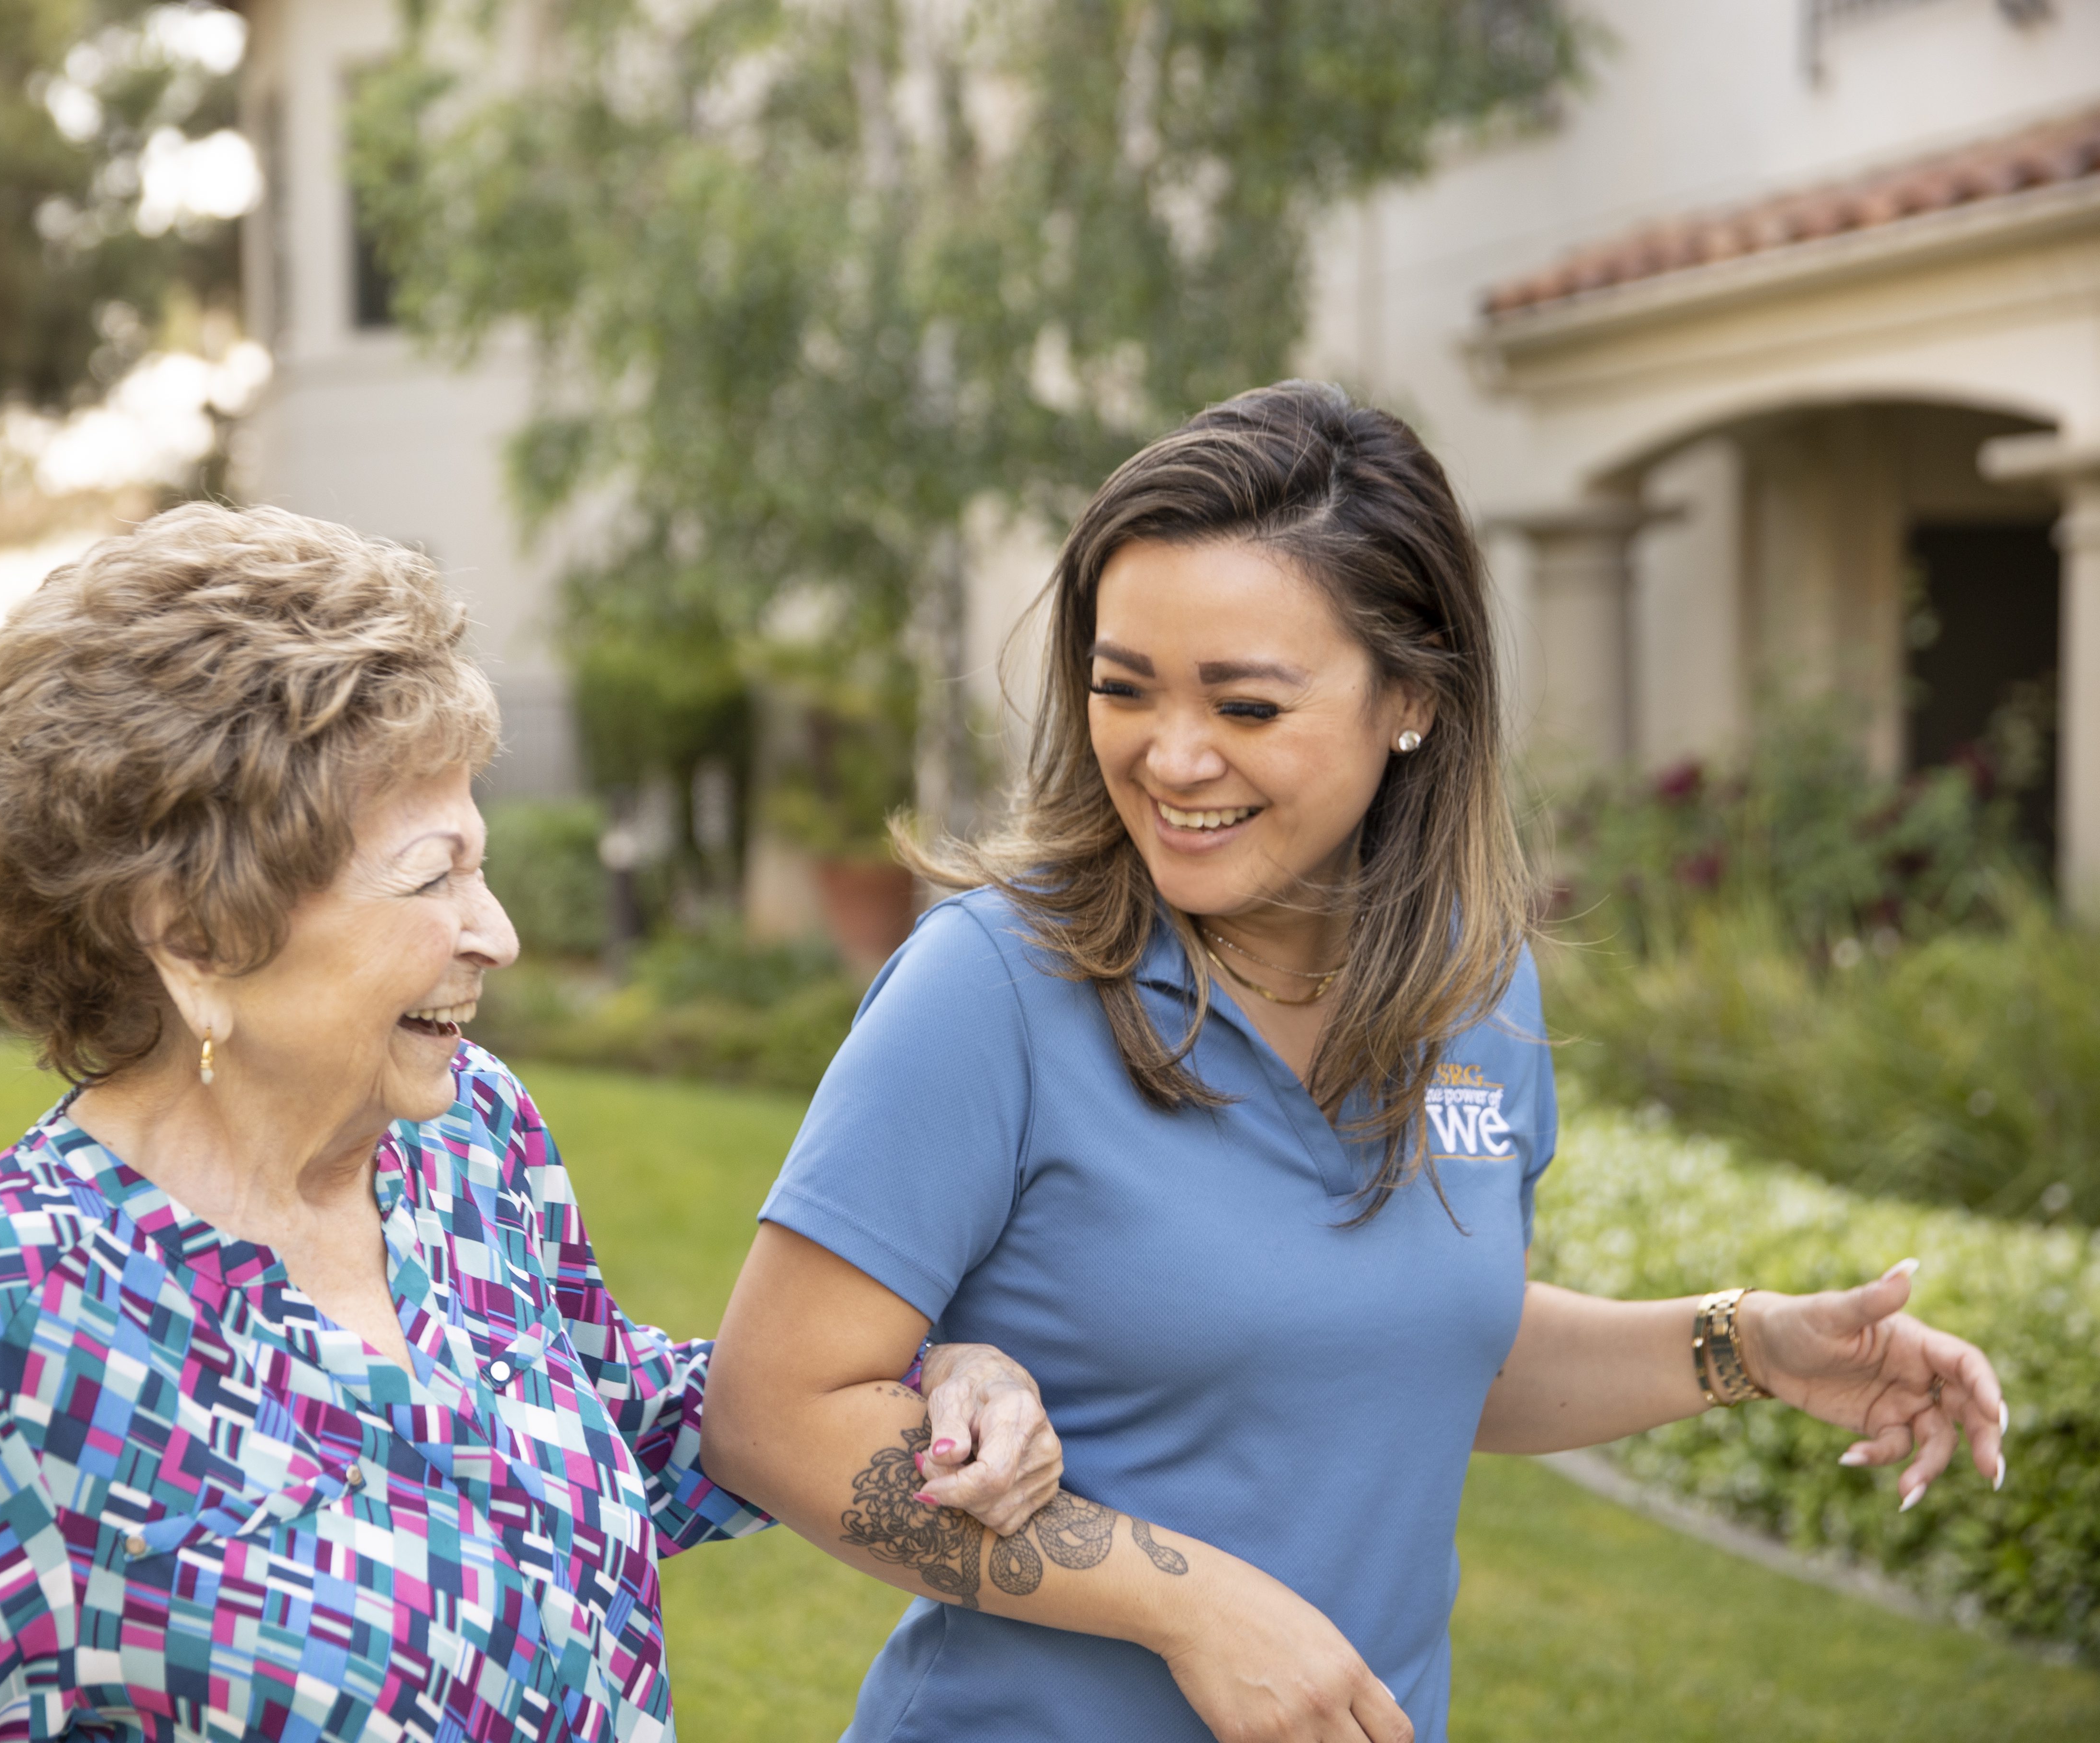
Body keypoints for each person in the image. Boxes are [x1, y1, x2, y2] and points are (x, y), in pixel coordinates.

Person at [698, 382, 2010, 1743]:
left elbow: (1417, 1350)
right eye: (1122, 688)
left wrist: (1745, 1344)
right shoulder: (992, 989)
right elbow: (771, 1413)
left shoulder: (1478, 990)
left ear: (1414, 702)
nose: (1172, 755)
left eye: (1248, 706)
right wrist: (1190, 1606)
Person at [0, 504, 1062, 1743]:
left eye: (477, 861)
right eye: (434, 878)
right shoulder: (21, 1319)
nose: (498, 932)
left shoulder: (465, 1137)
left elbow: (624, 1428)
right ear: (197, 938)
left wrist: (926, 1379)